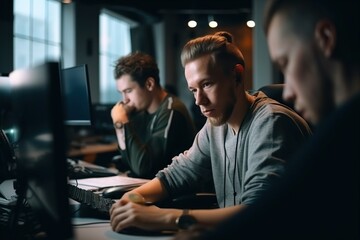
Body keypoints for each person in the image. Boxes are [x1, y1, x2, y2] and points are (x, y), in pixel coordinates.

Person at [173, 0, 360, 239]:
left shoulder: (334, 138)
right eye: (193, 90)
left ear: (325, 38)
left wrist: (170, 219)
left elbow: (262, 216)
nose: (288, 92)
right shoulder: (340, 136)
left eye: (286, 63)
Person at [109, 31, 312, 232]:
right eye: (193, 90)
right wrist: (133, 198)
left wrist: (164, 217)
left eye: (206, 84)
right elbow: (177, 175)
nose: (199, 101)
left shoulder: (271, 123)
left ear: (237, 76)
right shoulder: (216, 123)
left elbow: (258, 212)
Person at [110, 51, 196, 179]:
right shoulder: (140, 112)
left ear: (149, 84)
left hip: (177, 194)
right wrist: (119, 126)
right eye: (121, 93)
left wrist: (121, 121)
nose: (124, 100)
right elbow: (130, 163)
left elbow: (143, 168)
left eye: (128, 91)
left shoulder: (171, 111)